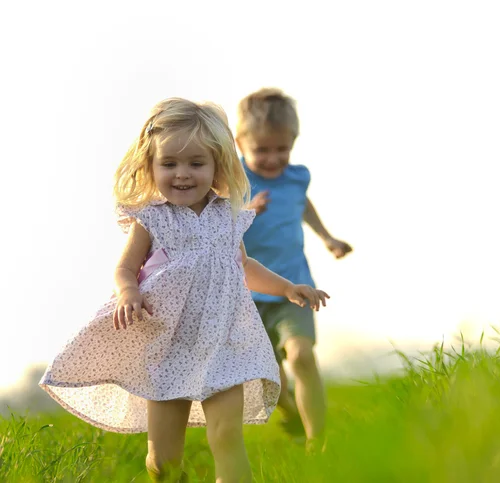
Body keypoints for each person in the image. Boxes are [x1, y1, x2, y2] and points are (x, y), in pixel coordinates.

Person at [39, 97, 329, 483]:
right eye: (169, 164)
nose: (182, 174)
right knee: (163, 461)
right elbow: (126, 268)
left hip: (224, 345)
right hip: (167, 350)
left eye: (196, 163)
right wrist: (128, 292)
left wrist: (288, 288)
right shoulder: (151, 219)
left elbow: (243, 266)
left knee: (227, 438)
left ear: (217, 166)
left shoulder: (228, 215)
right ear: (151, 166)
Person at [235, 88, 352, 452]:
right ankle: (289, 412)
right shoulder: (232, 177)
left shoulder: (297, 177)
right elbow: (217, 224)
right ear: (240, 143)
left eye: (282, 149)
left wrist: (327, 237)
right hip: (246, 295)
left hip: (295, 287)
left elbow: (303, 205)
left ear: (293, 142)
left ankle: (318, 442)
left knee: (301, 355)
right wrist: (247, 211)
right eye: (262, 150)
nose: (273, 159)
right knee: (270, 381)